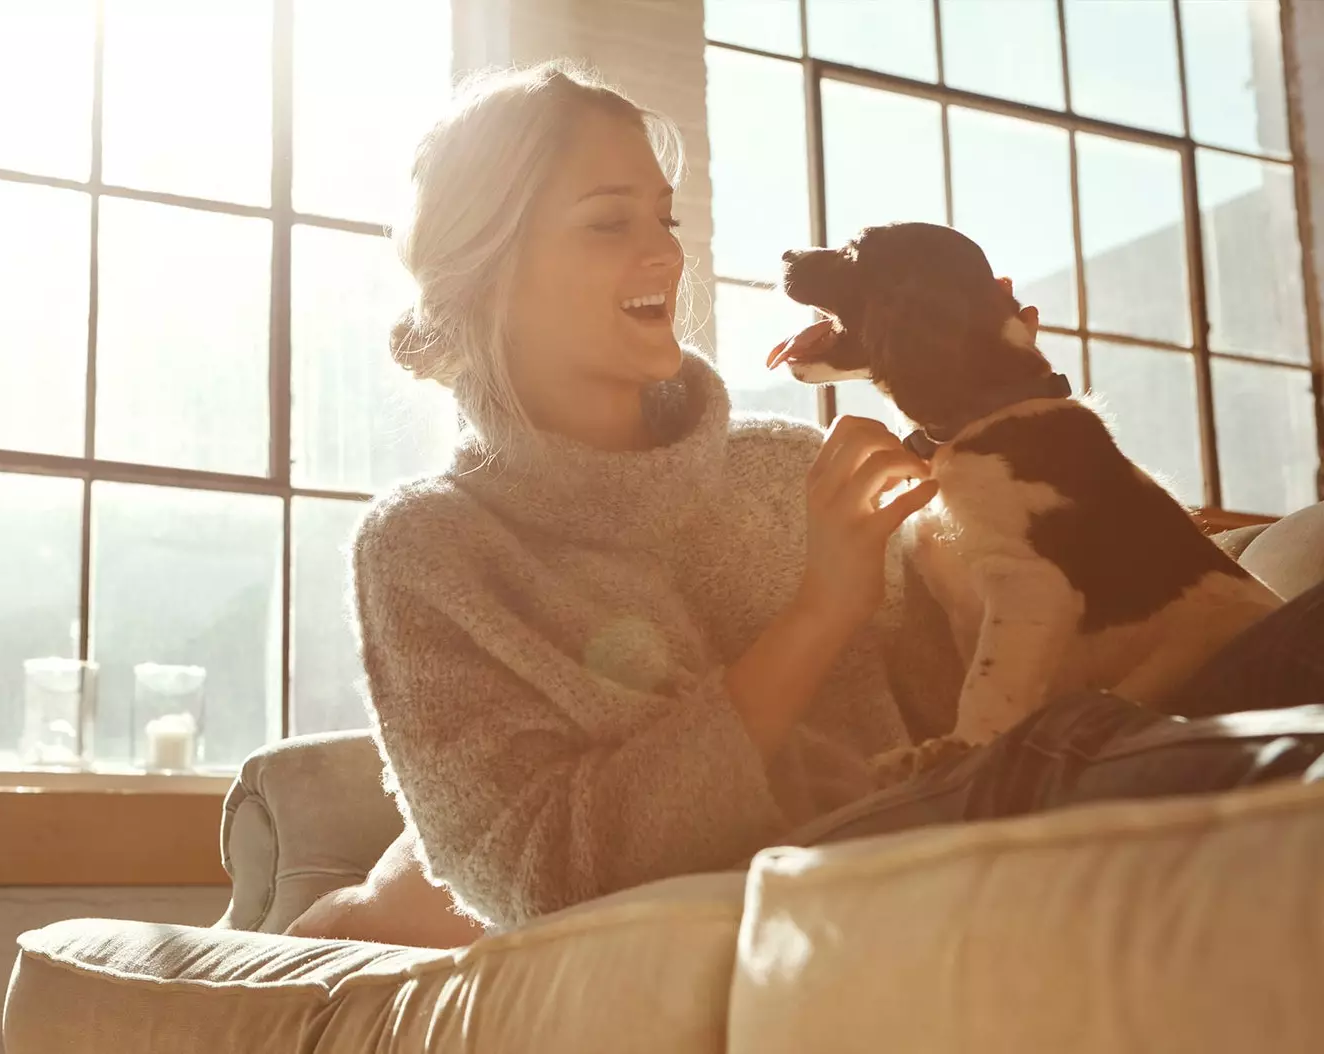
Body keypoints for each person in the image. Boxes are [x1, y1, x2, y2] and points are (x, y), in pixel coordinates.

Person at [285, 62, 1324, 948]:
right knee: (1096, 753)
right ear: (486, 270)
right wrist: (821, 608)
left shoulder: (792, 464)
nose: (665, 252)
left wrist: (1010, 393)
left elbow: (1044, 596)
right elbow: (537, 873)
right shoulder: (427, 550)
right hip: (883, 852)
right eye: (609, 222)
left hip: (1036, 777)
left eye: (665, 216)